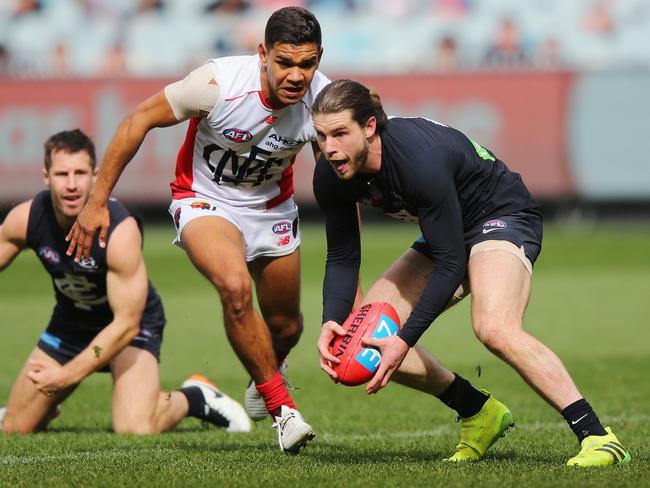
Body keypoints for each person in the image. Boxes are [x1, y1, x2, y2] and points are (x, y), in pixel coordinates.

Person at [311, 79, 631, 467]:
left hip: (501, 215)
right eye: (322, 135)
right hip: (446, 230)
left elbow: (449, 263)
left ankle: (597, 436)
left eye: (340, 134)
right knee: (362, 340)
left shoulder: (416, 161)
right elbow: (343, 256)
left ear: (369, 127)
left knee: (494, 327)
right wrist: (332, 319)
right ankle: (478, 411)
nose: (329, 147)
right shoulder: (331, 173)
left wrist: (405, 339)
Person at [64, 7, 329, 453]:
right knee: (233, 287)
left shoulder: (324, 102)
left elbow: (338, 190)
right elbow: (137, 121)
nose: (297, 75)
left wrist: (351, 266)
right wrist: (95, 202)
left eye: (307, 64)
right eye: (285, 62)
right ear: (263, 54)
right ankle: (284, 411)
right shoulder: (216, 84)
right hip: (205, 201)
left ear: (319, 58)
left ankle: (267, 366)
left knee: (286, 326)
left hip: (272, 209)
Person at [0, 129, 251, 435]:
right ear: (46, 176)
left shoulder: (120, 230)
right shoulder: (25, 218)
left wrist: (66, 375)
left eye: (80, 173)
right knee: (15, 427)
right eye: (61, 174)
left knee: (135, 427)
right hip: (71, 324)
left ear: (95, 175)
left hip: (130, 327)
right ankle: (39, 409)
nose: (71, 184)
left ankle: (193, 398)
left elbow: (126, 324)